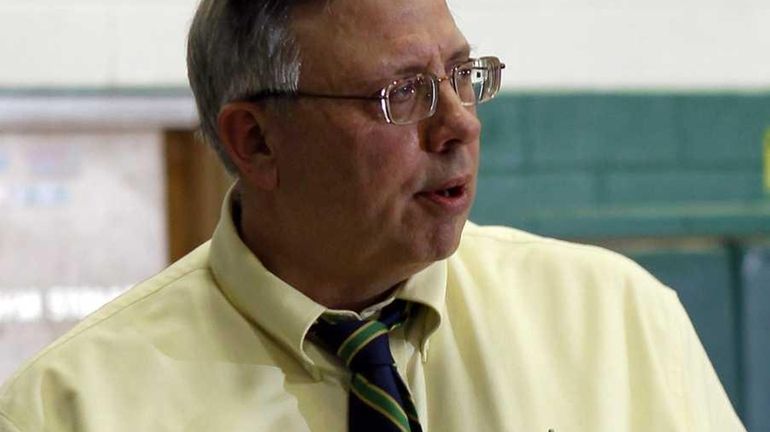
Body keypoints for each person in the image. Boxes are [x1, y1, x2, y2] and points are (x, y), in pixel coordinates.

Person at [0, 0, 746, 430]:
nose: (460, 124)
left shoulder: (619, 322)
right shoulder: (69, 409)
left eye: (463, 77)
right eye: (402, 94)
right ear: (256, 140)